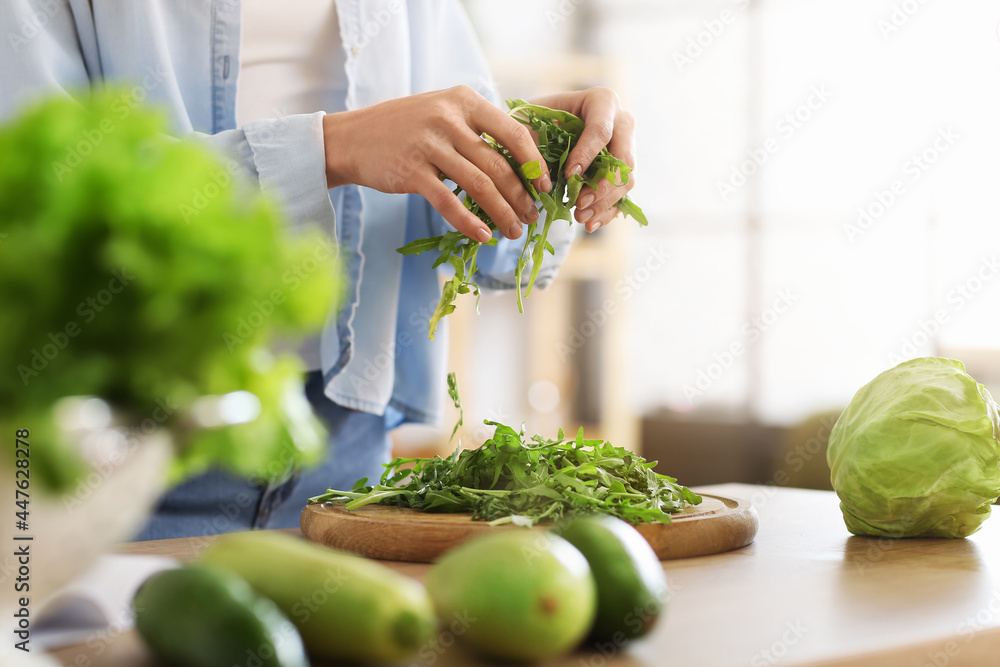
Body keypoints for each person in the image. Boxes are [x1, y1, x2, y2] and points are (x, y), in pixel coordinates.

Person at [0, 0, 637, 538]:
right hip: (112, 453)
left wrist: (536, 147)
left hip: (341, 445)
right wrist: (331, 146)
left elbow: (468, 213)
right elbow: (38, 198)